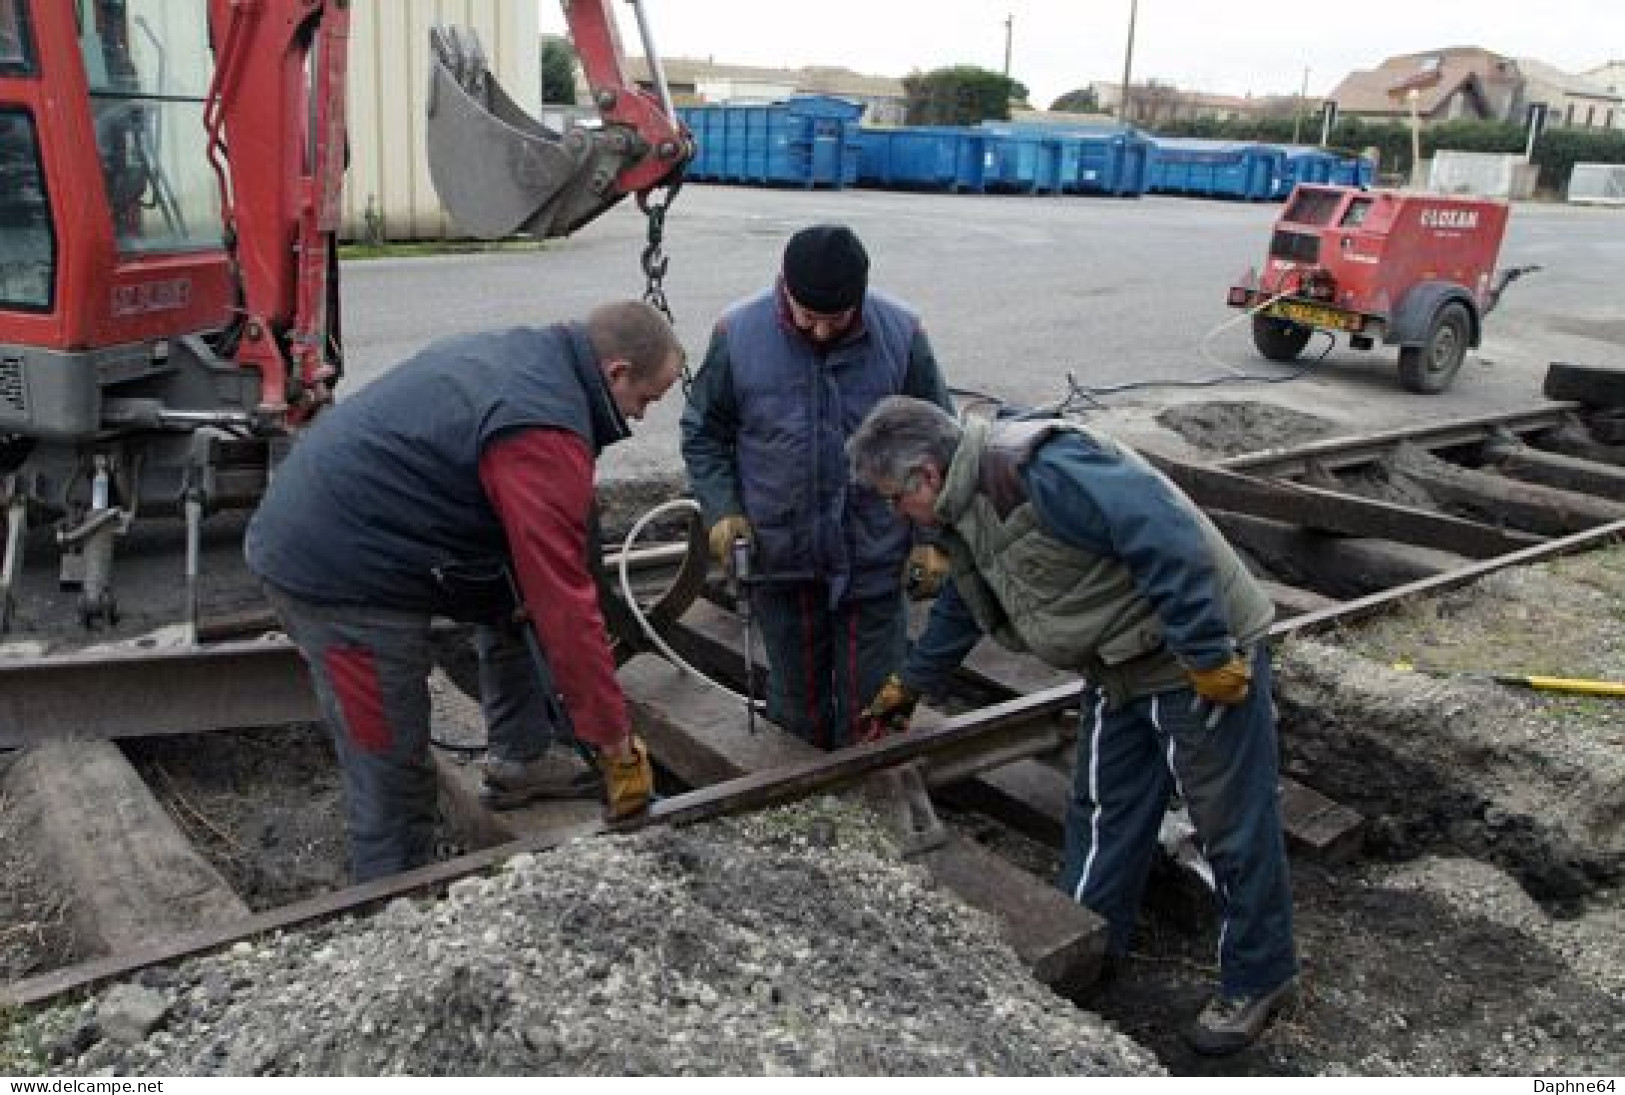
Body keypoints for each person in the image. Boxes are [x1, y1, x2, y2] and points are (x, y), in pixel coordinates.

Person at [848, 395, 1298, 1057]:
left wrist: (1206, 650)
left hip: (1193, 657)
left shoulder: (1039, 471)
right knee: (1101, 810)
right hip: (1115, 665)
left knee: (1228, 821)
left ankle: (1260, 977)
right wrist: (908, 686)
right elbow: (966, 605)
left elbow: (1165, 533)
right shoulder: (960, 510)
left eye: (893, 498)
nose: (893, 514)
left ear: (924, 475)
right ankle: (1085, 945)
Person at [245, 300, 682, 882]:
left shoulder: (538, 360)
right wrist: (612, 738)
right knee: (392, 767)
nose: (643, 415)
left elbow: (547, 569)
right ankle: (392, 904)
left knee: (511, 601)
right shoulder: (541, 426)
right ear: (616, 373)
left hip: (373, 523)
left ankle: (522, 760)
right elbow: (565, 607)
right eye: (646, 399)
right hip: (339, 570)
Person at [680, 224, 954, 749]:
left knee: (875, 708)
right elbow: (704, 434)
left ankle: (872, 805)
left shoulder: (902, 334)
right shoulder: (737, 335)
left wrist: (932, 540)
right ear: (786, 288)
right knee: (793, 712)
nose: (822, 333)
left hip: (873, 556)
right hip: (781, 556)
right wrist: (722, 510)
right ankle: (804, 803)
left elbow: (939, 443)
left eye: (837, 320)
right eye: (810, 319)